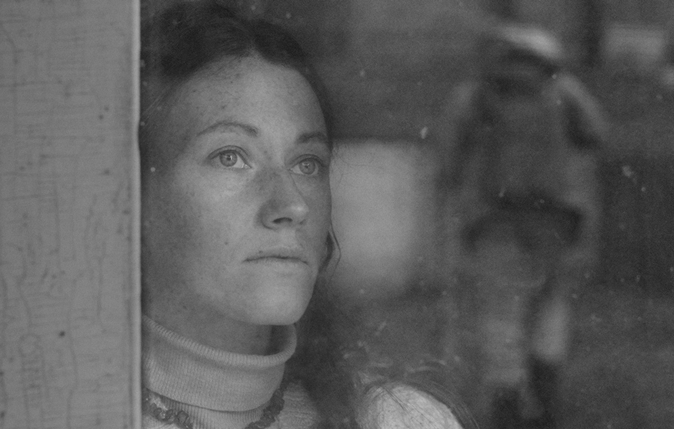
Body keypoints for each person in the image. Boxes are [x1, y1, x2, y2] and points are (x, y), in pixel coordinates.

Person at [138, 3, 466, 428]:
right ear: (133, 194)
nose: (292, 205)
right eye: (230, 156)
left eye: (306, 163)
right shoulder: (67, 406)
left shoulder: (392, 421)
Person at [435, 23, 607, 429]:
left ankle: (507, 407)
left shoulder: (477, 94)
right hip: (554, 219)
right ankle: (546, 404)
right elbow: (596, 133)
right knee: (550, 306)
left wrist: (454, 197)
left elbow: (448, 159)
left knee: (501, 314)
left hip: (496, 219)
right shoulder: (563, 90)